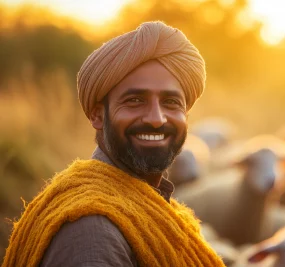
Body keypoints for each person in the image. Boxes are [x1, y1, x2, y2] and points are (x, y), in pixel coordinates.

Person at [2, 21, 225, 267]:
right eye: (135, 100)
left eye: (171, 102)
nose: (156, 119)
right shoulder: (91, 230)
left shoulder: (154, 207)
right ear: (97, 115)